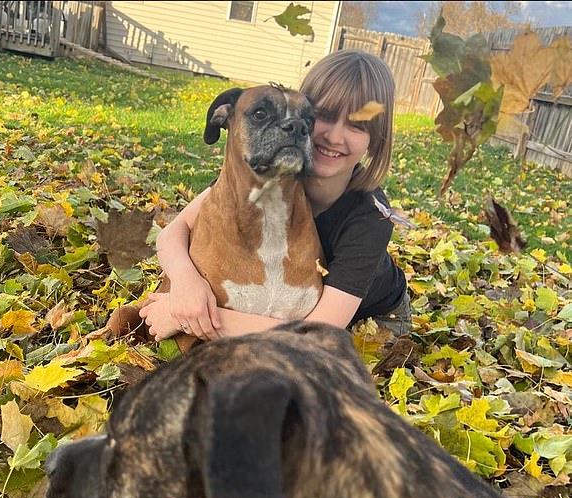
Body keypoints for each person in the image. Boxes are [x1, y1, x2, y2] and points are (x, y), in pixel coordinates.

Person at [137, 49, 411, 343]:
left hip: (372, 316)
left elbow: (316, 335)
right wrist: (185, 283)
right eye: (324, 116)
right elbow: (172, 232)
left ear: (375, 139)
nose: (334, 136)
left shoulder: (371, 217)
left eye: (357, 125)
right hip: (298, 309)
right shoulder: (276, 167)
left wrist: (188, 317)